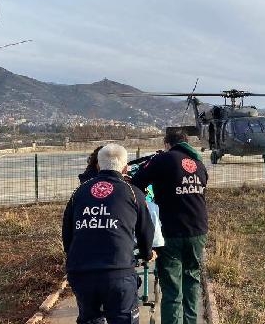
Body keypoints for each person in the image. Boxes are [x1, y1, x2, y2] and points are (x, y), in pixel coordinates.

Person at [62, 143, 155, 324]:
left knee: (90, 319)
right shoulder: (133, 193)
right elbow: (146, 231)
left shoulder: (79, 192)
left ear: (97, 165)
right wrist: (146, 253)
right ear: (126, 167)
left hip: (81, 272)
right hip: (118, 273)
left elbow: (67, 235)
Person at [131, 130, 208, 324]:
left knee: (172, 288)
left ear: (167, 144)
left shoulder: (162, 160)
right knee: (192, 279)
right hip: (198, 230)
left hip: (171, 232)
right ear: (186, 143)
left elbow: (136, 184)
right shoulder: (198, 162)